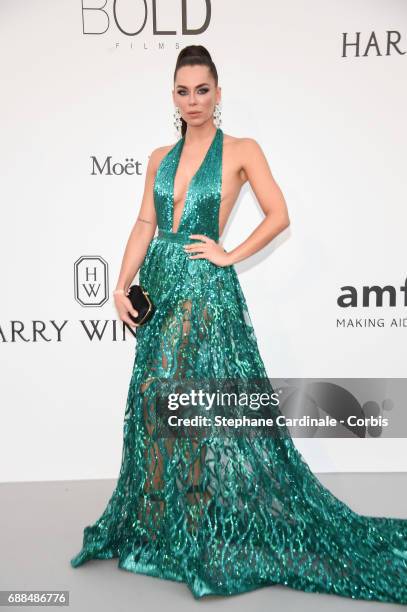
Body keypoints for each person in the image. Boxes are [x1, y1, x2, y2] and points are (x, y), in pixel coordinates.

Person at [70, 45, 407, 604]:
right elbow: (143, 223)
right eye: (183, 90)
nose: (193, 100)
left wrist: (229, 253)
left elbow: (280, 215)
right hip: (158, 286)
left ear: (218, 93)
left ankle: (195, 526)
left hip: (205, 293)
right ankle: (157, 524)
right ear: (172, 96)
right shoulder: (158, 157)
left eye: (203, 89)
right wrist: (118, 284)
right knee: (155, 402)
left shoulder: (243, 151)